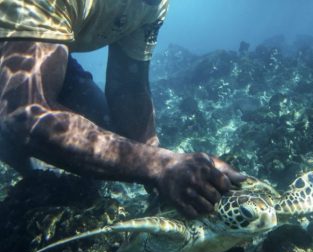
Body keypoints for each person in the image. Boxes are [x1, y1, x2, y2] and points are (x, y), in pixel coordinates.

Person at [0, 0, 246, 218]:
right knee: (39, 160)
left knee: (100, 131)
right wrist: (158, 166)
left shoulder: (154, 4)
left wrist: (168, 167)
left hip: (28, 47)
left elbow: (129, 88)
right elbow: (24, 113)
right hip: (12, 57)